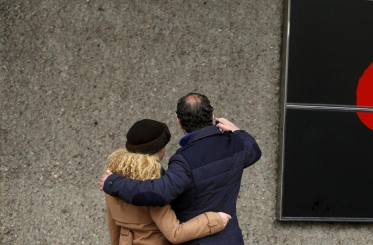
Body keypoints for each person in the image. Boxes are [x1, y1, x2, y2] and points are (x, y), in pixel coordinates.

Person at [100, 93, 261, 245]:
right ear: (212, 117)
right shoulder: (235, 146)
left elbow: (159, 193)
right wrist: (237, 131)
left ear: (179, 121)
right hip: (230, 238)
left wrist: (113, 183)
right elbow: (254, 151)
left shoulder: (183, 160)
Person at [104, 119, 231, 245]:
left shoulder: (112, 178)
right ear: (160, 149)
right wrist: (215, 220)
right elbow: (175, 233)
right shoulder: (153, 183)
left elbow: (114, 229)